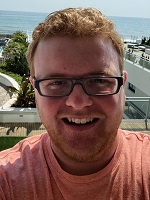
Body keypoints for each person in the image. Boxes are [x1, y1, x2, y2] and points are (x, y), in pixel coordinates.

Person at [0, 7, 150, 200]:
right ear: (35, 89)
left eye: (98, 80)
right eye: (56, 83)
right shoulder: (7, 180)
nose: (78, 103)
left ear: (122, 86)